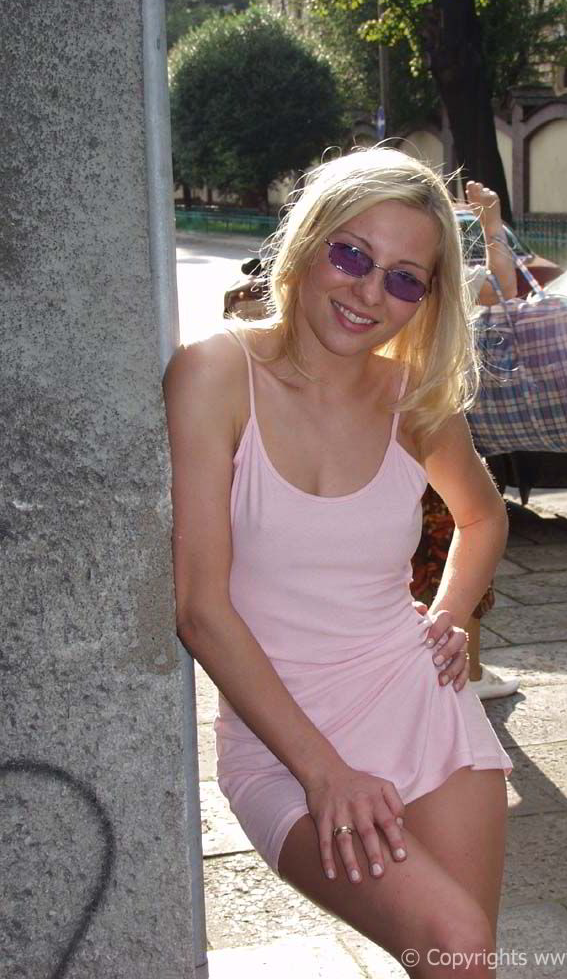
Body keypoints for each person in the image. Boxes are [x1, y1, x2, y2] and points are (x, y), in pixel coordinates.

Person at [163, 147, 512, 976]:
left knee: (459, 962)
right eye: (351, 255)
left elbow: (483, 516)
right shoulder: (215, 373)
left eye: (404, 279)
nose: (368, 293)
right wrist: (325, 773)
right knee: (456, 942)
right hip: (284, 744)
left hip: (420, 704)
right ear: (307, 242)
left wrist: (450, 613)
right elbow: (201, 610)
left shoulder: (411, 397)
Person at [411, 180, 520, 701]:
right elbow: (505, 286)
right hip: (418, 435)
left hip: (428, 433)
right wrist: (490, 223)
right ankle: (464, 675)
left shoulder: (447, 281)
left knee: (448, 556)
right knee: (440, 557)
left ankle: (464, 673)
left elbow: (503, 287)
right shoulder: (440, 282)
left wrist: (490, 223)